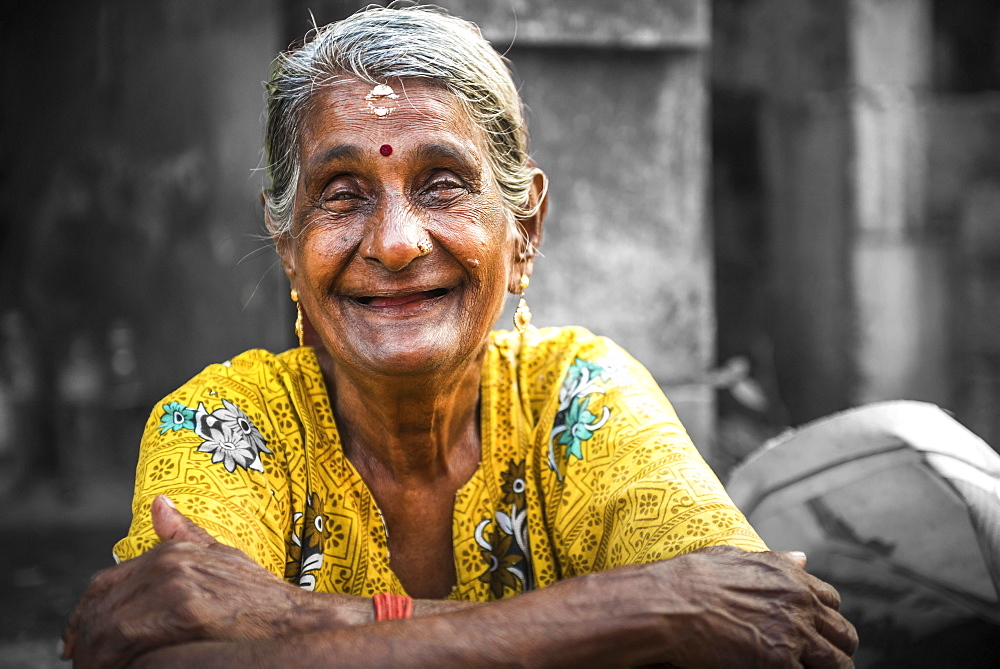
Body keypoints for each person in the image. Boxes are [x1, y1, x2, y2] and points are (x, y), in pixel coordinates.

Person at [62, 6, 857, 667]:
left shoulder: (578, 395)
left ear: (526, 231)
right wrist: (648, 607)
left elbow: (749, 629)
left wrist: (288, 621)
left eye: (443, 184)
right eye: (341, 195)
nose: (398, 241)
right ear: (289, 251)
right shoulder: (223, 424)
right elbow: (173, 660)